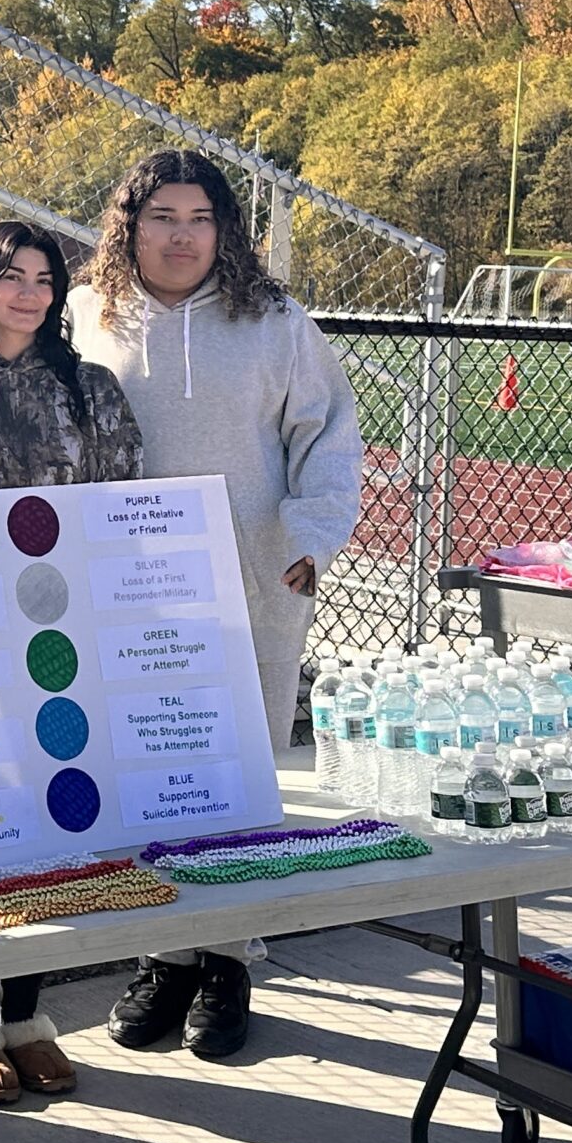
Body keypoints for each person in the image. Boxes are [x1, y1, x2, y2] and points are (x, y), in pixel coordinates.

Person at [70, 148, 363, 1061]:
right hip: (125, 584)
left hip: (254, 578)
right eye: (163, 217)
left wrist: (312, 536)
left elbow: (326, 434)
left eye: (200, 219)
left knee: (243, 772)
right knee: (147, 770)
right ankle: (165, 956)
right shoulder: (87, 314)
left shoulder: (275, 322)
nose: (182, 236)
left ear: (225, 231)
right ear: (131, 224)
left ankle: (228, 958)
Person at [0, 219, 142, 1105]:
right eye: (10, 275)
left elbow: (123, 502)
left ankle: (26, 1017)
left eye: (45, 279)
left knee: (55, 816)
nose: (30, 292)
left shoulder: (90, 389)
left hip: (64, 632)